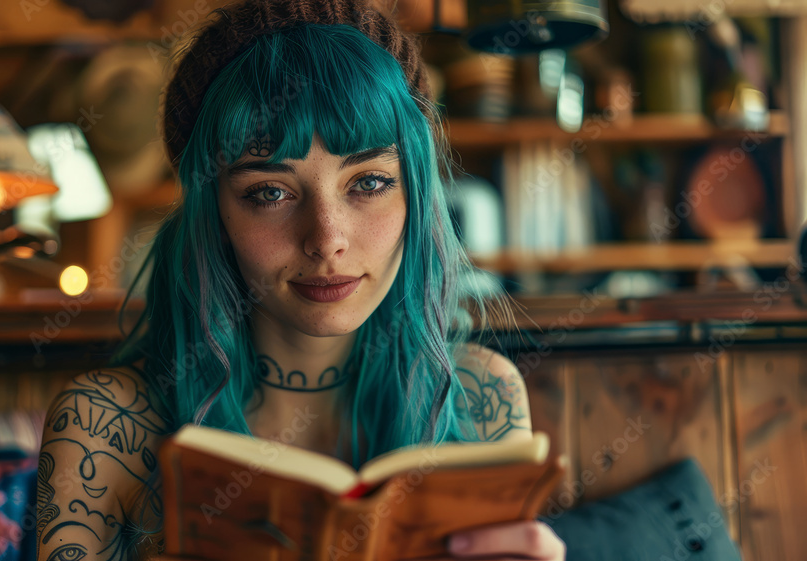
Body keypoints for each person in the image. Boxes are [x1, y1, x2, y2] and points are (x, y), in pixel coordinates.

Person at [36, 1, 566, 560]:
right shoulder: (101, 426)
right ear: (213, 214)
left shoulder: (484, 397)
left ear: (416, 193)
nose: (326, 238)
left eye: (369, 182)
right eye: (270, 192)